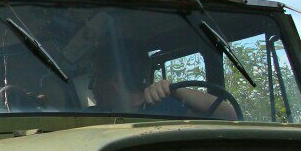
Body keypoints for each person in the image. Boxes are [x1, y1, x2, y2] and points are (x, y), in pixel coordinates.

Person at [91, 42, 238, 119]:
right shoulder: (89, 116)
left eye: (95, 79)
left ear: (115, 82)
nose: (92, 87)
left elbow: (229, 116)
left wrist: (176, 90)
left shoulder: (165, 108)